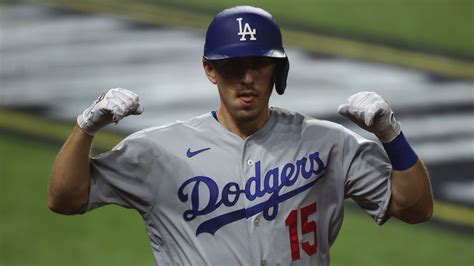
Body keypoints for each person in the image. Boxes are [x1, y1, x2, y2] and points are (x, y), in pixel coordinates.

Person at [48, 5, 433, 266]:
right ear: (210, 70)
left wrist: (390, 135)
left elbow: (415, 209)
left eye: (258, 64)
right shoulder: (158, 151)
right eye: (233, 66)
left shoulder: (329, 143)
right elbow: (65, 200)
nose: (246, 78)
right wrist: (86, 128)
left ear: (277, 69)